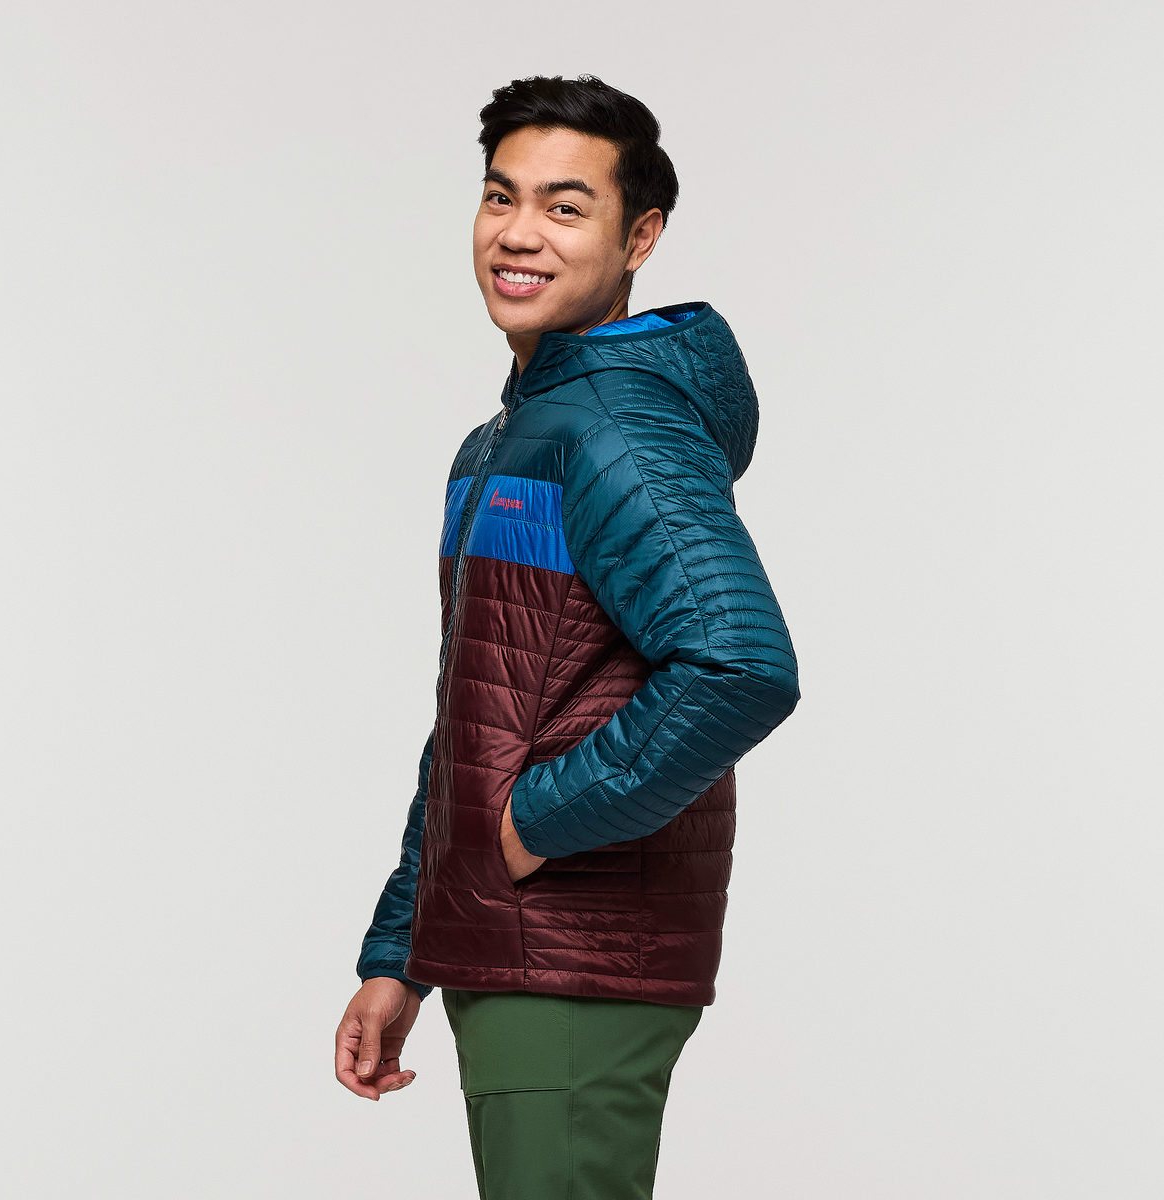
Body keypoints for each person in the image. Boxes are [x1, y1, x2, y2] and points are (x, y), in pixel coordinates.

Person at [335, 74, 800, 1199]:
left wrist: (533, 826)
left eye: (565, 206)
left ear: (640, 237)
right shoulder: (509, 439)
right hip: (513, 953)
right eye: (501, 198)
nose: (518, 233)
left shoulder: (613, 426)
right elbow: (481, 718)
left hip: (573, 959)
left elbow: (741, 664)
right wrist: (403, 948)